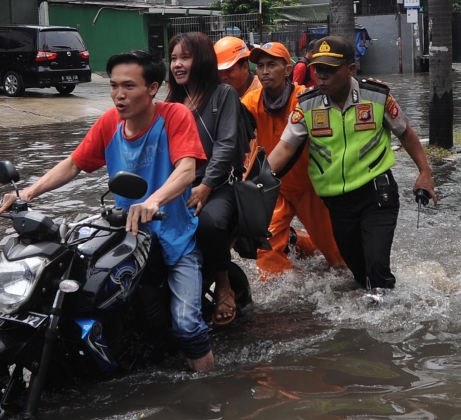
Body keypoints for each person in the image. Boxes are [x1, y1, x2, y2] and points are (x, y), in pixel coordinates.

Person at [0, 49, 214, 371]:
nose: (118, 95)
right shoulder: (110, 122)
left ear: (152, 88)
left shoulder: (174, 116)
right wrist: (27, 192)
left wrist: (153, 201)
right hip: (127, 235)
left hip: (174, 236)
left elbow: (186, 170)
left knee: (186, 326)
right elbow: (74, 164)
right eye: (113, 86)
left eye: (128, 86)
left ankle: (210, 393)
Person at [268, 36, 437, 290]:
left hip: (377, 195)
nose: (322, 76)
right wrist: (256, 182)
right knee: (358, 272)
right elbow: (284, 148)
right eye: (318, 69)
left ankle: (387, 322)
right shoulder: (307, 105)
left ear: (351, 70)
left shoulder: (377, 96)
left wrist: (424, 172)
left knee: (377, 267)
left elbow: (406, 133)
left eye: (330, 70)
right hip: (337, 203)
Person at [166, 32, 250, 325]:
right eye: (174, 58)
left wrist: (206, 185)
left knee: (208, 223)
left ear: (200, 59)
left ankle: (224, 284)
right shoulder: (170, 102)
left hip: (218, 186)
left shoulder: (222, 94)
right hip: (179, 186)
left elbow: (226, 144)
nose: (177, 64)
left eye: (185, 57)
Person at [242, 41, 344, 275]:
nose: (265, 71)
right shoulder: (250, 102)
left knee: (337, 259)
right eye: (260, 66)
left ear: (288, 70)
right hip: (273, 188)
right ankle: (284, 299)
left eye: (272, 65)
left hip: (311, 188)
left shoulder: (306, 99)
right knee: (265, 248)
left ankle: (300, 242)